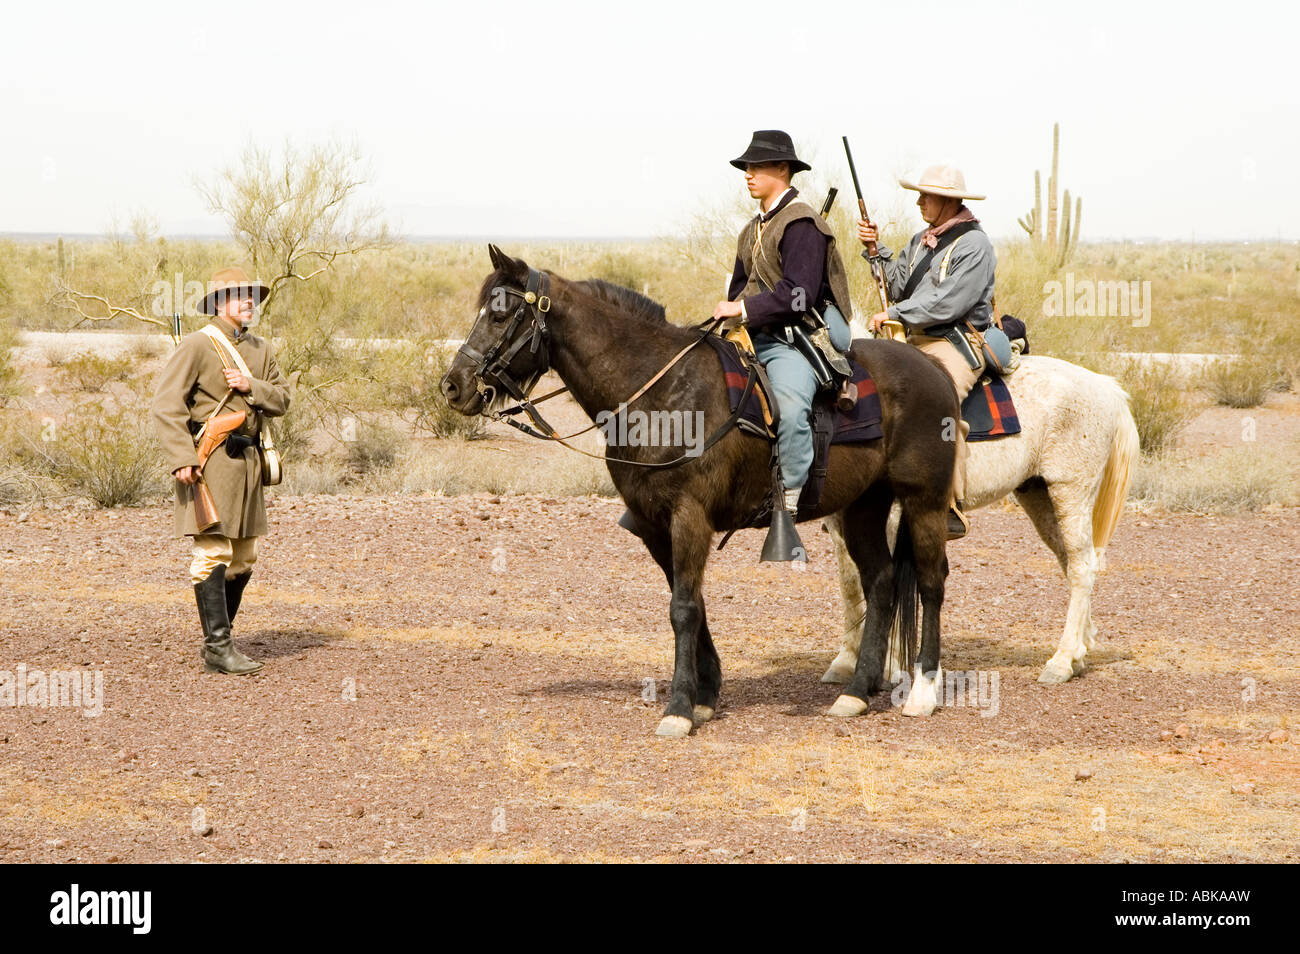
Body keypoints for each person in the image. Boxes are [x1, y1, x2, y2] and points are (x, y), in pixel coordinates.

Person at [712, 130, 854, 554]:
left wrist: (744, 311)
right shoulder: (750, 229)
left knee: (790, 410)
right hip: (754, 335)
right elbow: (741, 287)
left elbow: (800, 296)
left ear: (782, 169)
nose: (748, 175)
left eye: (756, 167)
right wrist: (729, 316)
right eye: (746, 168)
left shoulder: (803, 224)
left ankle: (787, 502)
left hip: (796, 337)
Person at [151, 267, 291, 674]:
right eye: (238, 295)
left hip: (248, 464)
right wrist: (182, 457)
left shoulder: (262, 350)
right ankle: (218, 646)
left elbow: (282, 398)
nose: (249, 302)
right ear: (217, 303)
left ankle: (221, 641)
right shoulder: (197, 345)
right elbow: (166, 405)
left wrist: (252, 387)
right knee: (213, 550)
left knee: (244, 556)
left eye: (252, 296)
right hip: (208, 463)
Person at [857, 164, 996, 539]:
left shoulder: (975, 245)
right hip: (915, 338)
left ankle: (949, 502)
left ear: (949, 201)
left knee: (940, 402)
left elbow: (948, 302)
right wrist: (876, 249)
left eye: (927, 195)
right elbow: (900, 284)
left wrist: (894, 313)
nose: (919, 201)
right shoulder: (922, 239)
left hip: (954, 340)